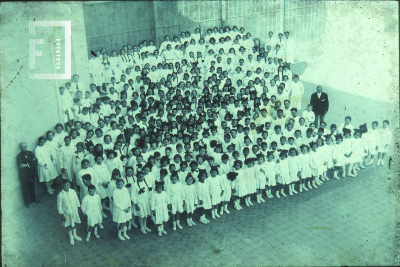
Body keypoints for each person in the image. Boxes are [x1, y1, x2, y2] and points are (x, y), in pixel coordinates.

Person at [57, 179, 82, 246]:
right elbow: (59, 206)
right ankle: (71, 237)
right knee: (68, 224)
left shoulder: (73, 191)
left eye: (67, 185)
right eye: (64, 185)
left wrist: (79, 208)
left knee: (73, 223)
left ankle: (75, 235)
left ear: (69, 185)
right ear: (62, 185)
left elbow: (77, 200)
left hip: (74, 211)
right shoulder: (60, 195)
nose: (66, 187)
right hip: (66, 213)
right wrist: (61, 214)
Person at [17, 142, 40, 207]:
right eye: (22, 147)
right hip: (24, 175)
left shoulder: (30, 153)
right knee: (25, 189)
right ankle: (27, 203)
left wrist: (27, 164)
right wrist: (31, 163)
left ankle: (33, 199)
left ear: (26, 146)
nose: (23, 148)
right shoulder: (19, 156)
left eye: (24, 146)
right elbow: (21, 166)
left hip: (31, 174)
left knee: (32, 187)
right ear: (20, 148)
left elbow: (36, 161)